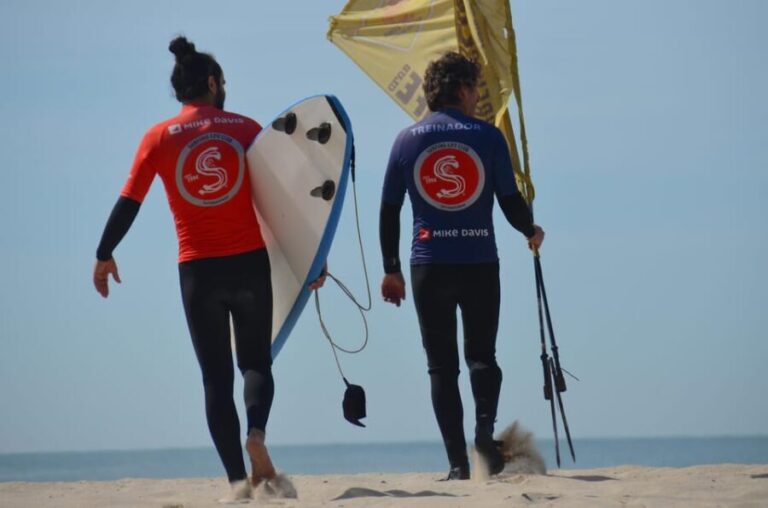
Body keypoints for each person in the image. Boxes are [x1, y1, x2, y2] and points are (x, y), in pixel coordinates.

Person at [93, 37, 323, 500]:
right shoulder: (246, 130)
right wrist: (311, 259)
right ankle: (256, 433)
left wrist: (104, 253)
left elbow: (129, 201)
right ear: (213, 84)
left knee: (215, 378)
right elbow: (283, 206)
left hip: (198, 271)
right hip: (248, 265)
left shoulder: (158, 138)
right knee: (256, 362)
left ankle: (239, 482)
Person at [379, 52, 544, 480]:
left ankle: (457, 464)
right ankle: (483, 435)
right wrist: (530, 228)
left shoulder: (406, 139)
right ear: (465, 89)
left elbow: (388, 209)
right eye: (476, 91)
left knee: (441, 367)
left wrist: (391, 268)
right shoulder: (488, 138)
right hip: (478, 264)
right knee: (482, 358)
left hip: (427, 265)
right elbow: (509, 200)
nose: (477, 100)